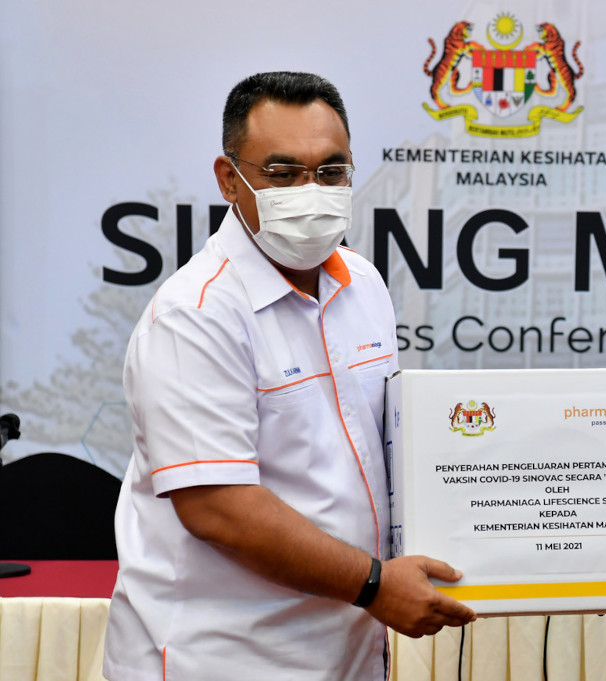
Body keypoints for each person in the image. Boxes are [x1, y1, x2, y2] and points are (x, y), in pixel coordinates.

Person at [103, 72, 475, 681]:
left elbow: (381, 452)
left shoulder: (364, 285)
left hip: (348, 650)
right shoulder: (194, 316)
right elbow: (219, 507)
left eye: (330, 172)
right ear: (230, 179)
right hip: (226, 657)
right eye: (283, 174)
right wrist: (376, 583)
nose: (311, 190)